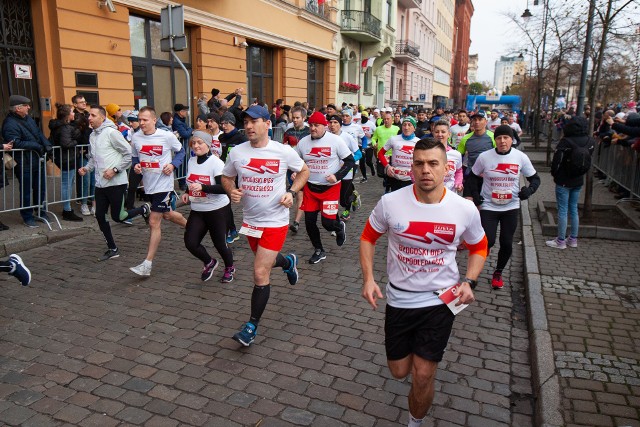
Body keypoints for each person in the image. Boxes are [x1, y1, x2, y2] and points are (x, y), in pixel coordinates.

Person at [360, 138, 488, 427]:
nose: (425, 170)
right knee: (399, 371)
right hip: (400, 299)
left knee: (422, 374)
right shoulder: (391, 202)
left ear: (446, 168)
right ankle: (418, 381)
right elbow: (368, 238)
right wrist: (368, 279)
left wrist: (470, 281)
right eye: (419, 163)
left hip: (442, 299)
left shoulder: (464, 209)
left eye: (433, 163)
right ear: (412, 168)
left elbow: (480, 246)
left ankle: (415, 422)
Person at [221, 105, 310, 346]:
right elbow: (226, 177)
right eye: (246, 122)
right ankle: (288, 261)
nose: (248, 126)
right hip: (250, 222)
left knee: (260, 272)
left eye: (254, 121)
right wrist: (232, 191)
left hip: (275, 221)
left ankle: (251, 326)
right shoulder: (237, 152)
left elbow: (303, 170)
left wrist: (292, 191)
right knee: (268, 262)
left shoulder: (282, 151)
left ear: (267, 124)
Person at [466, 125, 540, 288]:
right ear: (495, 140)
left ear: (511, 139)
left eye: (506, 137)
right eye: (499, 138)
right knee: (488, 241)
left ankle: (498, 273)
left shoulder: (520, 157)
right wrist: (475, 196)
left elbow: (535, 179)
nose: (502, 141)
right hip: (489, 207)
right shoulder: (485, 157)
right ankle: (474, 272)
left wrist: (529, 190)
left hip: (511, 207)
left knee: (506, 243)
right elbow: (471, 178)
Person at [78, 105, 150, 261]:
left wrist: (115, 170)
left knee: (119, 217)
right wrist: (87, 168)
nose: (89, 118)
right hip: (100, 184)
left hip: (116, 182)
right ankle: (112, 248)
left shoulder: (112, 133)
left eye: (92, 115)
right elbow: (93, 157)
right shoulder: (92, 135)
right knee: (99, 215)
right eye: (89, 115)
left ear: (102, 117)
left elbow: (128, 154)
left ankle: (143, 209)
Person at [129, 106, 187, 276]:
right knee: (167, 214)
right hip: (149, 184)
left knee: (154, 221)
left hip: (164, 184)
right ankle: (192, 227)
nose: (141, 123)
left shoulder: (166, 136)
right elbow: (135, 156)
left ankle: (147, 264)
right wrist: (136, 165)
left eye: (145, 120)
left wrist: (173, 165)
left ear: (154, 120)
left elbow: (181, 151)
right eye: (139, 119)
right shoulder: (136, 137)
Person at [295, 112, 355, 264]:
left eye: (317, 125)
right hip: (311, 188)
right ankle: (319, 250)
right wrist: (296, 172)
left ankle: (339, 226)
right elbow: (295, 161)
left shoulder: (335, 141)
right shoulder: (303, 142)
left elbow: (350, 161)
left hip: (330, 188)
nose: (313, 128)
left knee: (327, 223)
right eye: (311, 125)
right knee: (309, 222)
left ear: (325, 126)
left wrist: (337, 176)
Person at [182, 131, 235, 282]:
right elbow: (191, 181)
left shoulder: (216, 163)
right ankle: (209, 262)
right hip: (198, 209)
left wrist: (204, 188)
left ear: (208, 145)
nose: (196, 146)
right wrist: (187, 192)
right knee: (191, 242)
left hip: (217, 210)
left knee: (220, 244)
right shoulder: (191, 161)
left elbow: (224, 188)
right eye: (194, 143)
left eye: (200, 143)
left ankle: (230, 267)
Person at [1, 95, 52, 227]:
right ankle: (27, 216)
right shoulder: (9, 123)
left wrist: (46, 144)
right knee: (26, 191)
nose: (29, 107)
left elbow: (38, 133)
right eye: (26, 105)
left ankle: (41, 212)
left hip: (37, 160)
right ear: (18, 108)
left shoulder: (28, 118)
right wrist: (36, 146)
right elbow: (15, 142)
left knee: (40, 188)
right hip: (24, 162)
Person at [546, 116, 595, 249]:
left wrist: (555, 174)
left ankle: (560, 241)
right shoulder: (590, 141)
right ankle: (573, 239)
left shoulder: (565, 142)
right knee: (574, 209)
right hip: (578, 180)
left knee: (562, 210)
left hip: (563, 180)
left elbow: (557, 162)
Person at [48, 103, 83, 221]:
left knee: (68, 183)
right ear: (67, 115)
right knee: (66, 184)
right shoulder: (65, 127)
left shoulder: (63, 126)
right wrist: (76, 143)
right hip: (66, 159)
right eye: (72, 112)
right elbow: (66, 144)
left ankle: (67, 208)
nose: (74, 114)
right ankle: (67, 210)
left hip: (66, 159)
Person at [219, 111, 248, 243]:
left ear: (232, 123)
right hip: (226, 173)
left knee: (231, 203)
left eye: (226, 123)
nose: (223, 126)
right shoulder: (221, 138)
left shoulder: (241, 138)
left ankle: (236, 229)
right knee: (225, 204)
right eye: (222, 123)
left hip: (239, 174)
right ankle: (231, 230)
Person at [327, 114, 360, 220]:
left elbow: (358, 154)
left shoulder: (347, 137)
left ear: (340, 125)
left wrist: (347, 163)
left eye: (335, 122)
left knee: (343, 196)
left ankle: (347, 209)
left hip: (347, 170)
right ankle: (332, 214)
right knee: (332, 193)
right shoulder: (326, 137)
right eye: (330, 122)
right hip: (332, 171)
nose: (332, 125)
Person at [283, 106, 310, 233]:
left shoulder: (310, 132)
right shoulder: (288, 132)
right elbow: (284, 149)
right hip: (290, 167)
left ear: (304, 118)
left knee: (300, 193)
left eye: (297, 118)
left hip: (304, 167)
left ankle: (296, 221)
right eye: (293, 117)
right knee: (295, 192)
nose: (294, 120)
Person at [377, 116, 420, 192]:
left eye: (409, 125)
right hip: (395, 178)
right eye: (404, 125)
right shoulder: (393, 139)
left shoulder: (418, 142)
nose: (406, 128)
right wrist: (387, 166)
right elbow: (380, 154)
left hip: (410, 179)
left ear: (414, 128)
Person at [72, 95, 94, 216]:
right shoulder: (74, 117)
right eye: (81, 102)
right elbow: (77, 135)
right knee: (84, 177)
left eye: (85, 102)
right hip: (82, 151)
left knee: (93, 179)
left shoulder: (88, 114)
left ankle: (91, 199)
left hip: (92, 150)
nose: (84, 104)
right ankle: (83, 201)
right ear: (75, 104)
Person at [432, 120, 463, 193]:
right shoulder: (427, 152)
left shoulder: (456, 154)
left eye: (443, 132)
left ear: (449, 134)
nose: (440, 134)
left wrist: (458, 183)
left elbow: (458, 171)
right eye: (437, 132)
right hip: (431, 193)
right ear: (433, 133)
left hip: (450, 194)